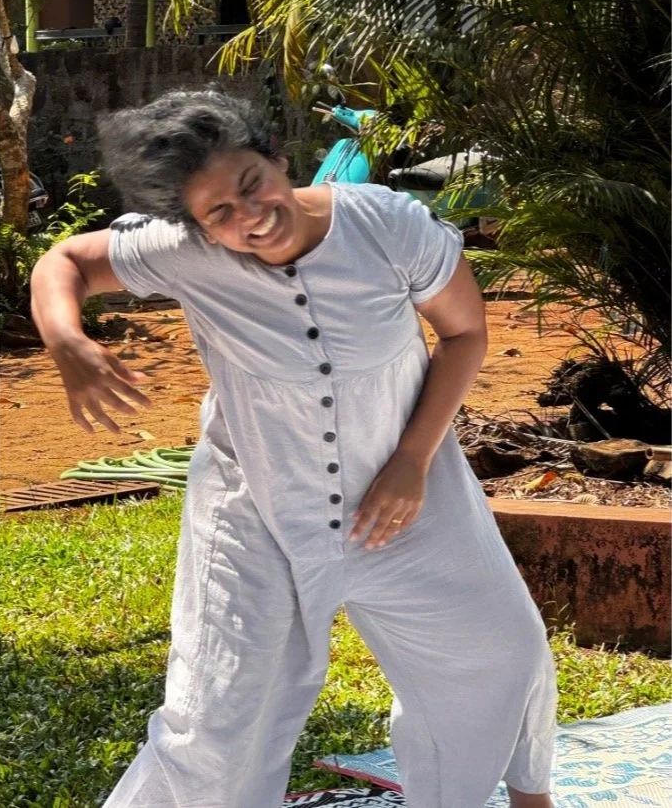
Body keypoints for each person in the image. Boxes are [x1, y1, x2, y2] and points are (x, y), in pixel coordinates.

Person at [31, 86, 557, 808]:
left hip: (407, 499)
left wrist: (410, 462)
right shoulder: (182, 253)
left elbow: (464, 332)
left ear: (279, 160)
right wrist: (66, 340)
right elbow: (64, 262)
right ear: (197, 226)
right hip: (256, 519)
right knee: (219, 719)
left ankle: (527, 800)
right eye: (219, 213)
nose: (248, 215)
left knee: (501, 653)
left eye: (252, 184)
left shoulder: (386, 224)